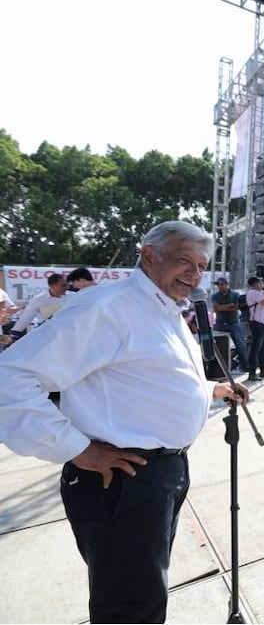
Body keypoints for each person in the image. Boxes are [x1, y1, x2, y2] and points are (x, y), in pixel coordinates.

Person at [0, 220, 249, 623]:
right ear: (149, 257)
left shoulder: (162, 308)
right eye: (184, 261)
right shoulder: (108, 307)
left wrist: (210, 390)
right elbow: (9, 377)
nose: (194, 273)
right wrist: (76, 448)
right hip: (122, 479)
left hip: (160, 475)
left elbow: (151, 378)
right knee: (130, 607)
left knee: (143, 588)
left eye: (201, 266)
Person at [9, 272, 69, 337]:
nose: (66, 287)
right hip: (49, 334)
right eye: (63, 285)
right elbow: (27, 317)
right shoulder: (39, 300)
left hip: (69, 332)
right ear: (52, 286)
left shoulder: (73, 296)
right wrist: (14, 333)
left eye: (67, 284)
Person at [210, 277, 249, 375]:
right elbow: (216, 308)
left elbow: (237, 307)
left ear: (227, 285)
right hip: (220, 323)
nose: (220, 286)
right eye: (218, 285)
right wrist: (229, 305)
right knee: (217, 345)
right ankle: (218, 368)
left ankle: (245, 366)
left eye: (222, 284)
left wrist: (223, 307)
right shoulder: (215, 296)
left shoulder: (235, 295)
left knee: (240, 345)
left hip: (233, 323)